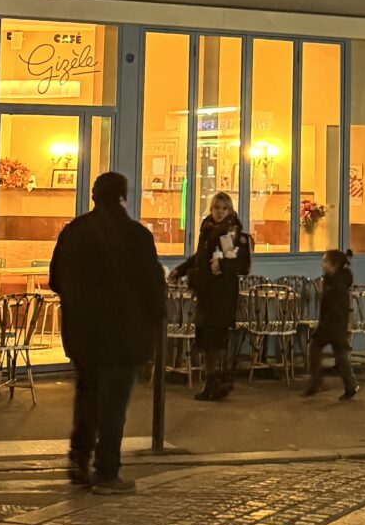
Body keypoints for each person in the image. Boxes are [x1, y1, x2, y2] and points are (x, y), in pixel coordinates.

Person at [48, 169, 167, 490]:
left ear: (93, 195)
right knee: (114, 405)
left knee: (87, 397)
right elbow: (153, 286)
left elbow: (55, 280)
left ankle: (78, 457)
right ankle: (106, 470)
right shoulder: (137, 236)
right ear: (123, 196)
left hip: (84, 333)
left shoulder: (74, 232)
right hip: (124, 334)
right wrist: (156, 323)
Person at [181, 190, 251, 400]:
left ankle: (220, 381)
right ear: (210, 209)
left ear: (230, 210)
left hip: (221, 295)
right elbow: (199, 256)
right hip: (205, 292)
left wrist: (222, 264)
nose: (219, 212)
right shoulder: (207, 229)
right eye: (216, 208)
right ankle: (212, 383)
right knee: (205, 339)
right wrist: (180, 270)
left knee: (216, 339)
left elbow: (242, 264)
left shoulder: (233, 233)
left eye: (224, 208)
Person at [302, 246, 359, 399]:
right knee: (340, 354)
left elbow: (332, 305)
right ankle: (350, 385)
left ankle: (317, 381)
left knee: (316, 347)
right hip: (337, 323)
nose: (322, 265)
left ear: (332, 264)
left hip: (332, 323)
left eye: (324, 261)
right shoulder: (336, 279)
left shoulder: (336, 282)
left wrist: (323, 325)